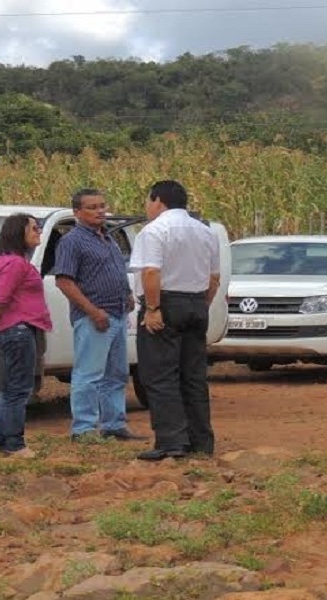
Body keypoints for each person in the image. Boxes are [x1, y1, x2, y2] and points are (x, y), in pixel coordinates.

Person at [129, 180, 221, 461]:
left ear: (158, 200)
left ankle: (171, 441)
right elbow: (214, 278)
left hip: (166, 302)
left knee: (160, 375)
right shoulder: (205, 231)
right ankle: (200, 440)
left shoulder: (155, 230)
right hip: (195, 303)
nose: (148, 206)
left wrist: (153, 309)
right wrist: (201, 305)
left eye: (149, 200)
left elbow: (151, 273)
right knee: (193, 376)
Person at [53, 188, 146, 442]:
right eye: (92, 207)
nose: (99, 211)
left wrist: (126, 293)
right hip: (95, 317)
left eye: (102, 206)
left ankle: (114, 425)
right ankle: (83, 429)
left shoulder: (108, 238)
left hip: (116, 313)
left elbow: (115, 270)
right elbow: (64, 281)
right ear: (77, 212)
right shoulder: (72, 241)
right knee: (89, 374)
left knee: (116, 373)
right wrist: (92, 311)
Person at [0, 213, 52, 458]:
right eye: (33, 228)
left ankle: (2, 442)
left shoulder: (4, 261)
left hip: (12, 329)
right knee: (17, 389)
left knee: (9, 389)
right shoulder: (16, 264)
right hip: (19, 328)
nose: (38, 231)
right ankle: (14, 444)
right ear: (19, 233)